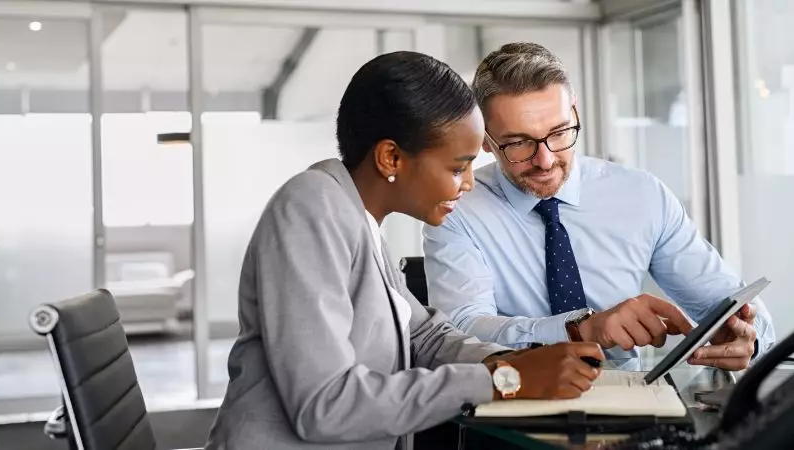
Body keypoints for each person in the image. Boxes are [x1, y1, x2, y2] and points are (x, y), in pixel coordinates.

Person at [205, 51, 605, 450]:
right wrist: (505, 380)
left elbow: (424, 336)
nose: (467, 184)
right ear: (391, 157)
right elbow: (324, 405)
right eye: (456, 167)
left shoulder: (358, 219)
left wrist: (511, 362)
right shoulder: (312, 207)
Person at [422, 42, 775, 370]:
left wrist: (747, 336)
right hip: (514, 409)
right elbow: (461, 333)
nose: (545, 160)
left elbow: (731, 301)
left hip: (636, 408)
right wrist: (580, 330)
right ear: (485, 140)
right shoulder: (457, 208)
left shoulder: (641, 195)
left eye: (559, 133)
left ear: (574, 112)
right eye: (518, 143)